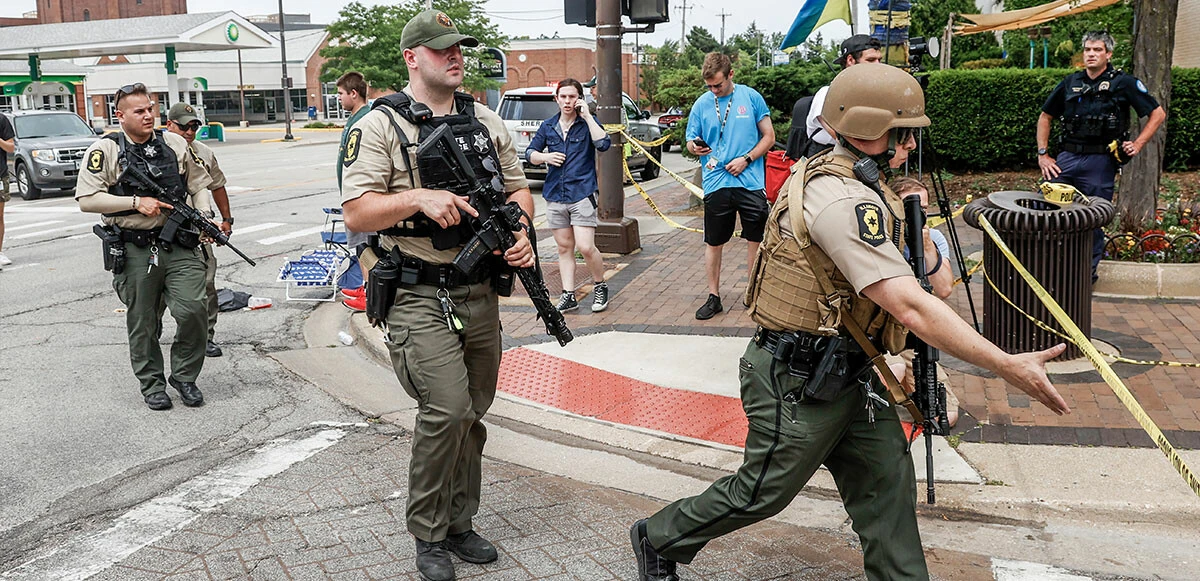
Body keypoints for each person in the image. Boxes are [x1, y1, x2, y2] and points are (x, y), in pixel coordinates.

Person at [630, 63, 1070, 581]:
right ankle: (658, 537)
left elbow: (942, 285)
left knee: (888, 488)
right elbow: (910, 305)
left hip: (855, 372)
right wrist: (1005, 364)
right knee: (762, 492)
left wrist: (915, 216)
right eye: (904, 134)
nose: (910, 146)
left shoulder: (876, 189)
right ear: (869, 131)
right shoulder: (837, 198)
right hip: (795, 378)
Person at [339, 10, 535, 581]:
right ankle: (427, 533)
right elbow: (357, 211)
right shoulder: (378, 125)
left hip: (478, 291)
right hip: (417, 292)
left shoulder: (486, 120)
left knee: (474, 414)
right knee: (446, 409)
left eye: (460, 49)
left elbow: (519, 190)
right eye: (443, 49)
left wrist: (519, 233)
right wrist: (418, 199)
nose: (456, 57)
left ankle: (459, 522)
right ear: (412, 57)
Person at [76, 83, 213, 410]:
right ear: (120, 115)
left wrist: (204, 216)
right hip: (134, 246)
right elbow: (87, 199)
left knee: (194, 309)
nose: (148, 115)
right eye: (139, 111)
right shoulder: (105, 150)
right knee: (144, 320)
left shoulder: (175, 143)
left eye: (151, 108)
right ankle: (152, 384)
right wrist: (136, 202)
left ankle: (184, 375)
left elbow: (198, 184)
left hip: (179, 243)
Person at [1036, 30, 1166, 281]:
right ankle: (1049, 270)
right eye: (1087, 50)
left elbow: (1157, 113)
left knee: (1093, 219)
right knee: (1049, 210)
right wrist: (1043, 154)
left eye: (1097, 50)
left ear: (1108, 54)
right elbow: (1045, 116)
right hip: (1067, 160)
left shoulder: (1124, 83)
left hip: (1099, 162)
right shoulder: (1070, 82)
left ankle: (1085, 276)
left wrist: (1138, 144)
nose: (1091, 54)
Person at [686, 52, 775, 320]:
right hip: (716, 181)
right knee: (714, 241)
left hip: (749, 180)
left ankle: (753, 292)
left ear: (731, 75)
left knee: (755, 239)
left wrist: (747, 159)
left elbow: (769, 137)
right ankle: (713, 296)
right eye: (710, 86)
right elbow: (690, 142)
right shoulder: (702, 104)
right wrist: (696, 147)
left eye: (719, 85)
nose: (714, 90)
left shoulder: (751, 97)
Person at [526, 77, 612, 313]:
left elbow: (604, 144)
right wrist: (545, 157)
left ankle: (600, 285)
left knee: (585, 247)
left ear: (579, 99)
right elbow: (530, 152)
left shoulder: (587, 124)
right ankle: (568, 294)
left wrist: (587, 116)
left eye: (572, 96)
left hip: (582, 193)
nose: (567, 101)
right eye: (563, 96)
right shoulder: (548, 126)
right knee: (564, 248)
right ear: (556, 99)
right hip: (555, 195)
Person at [888, 175, 959, 429]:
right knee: (893, 370)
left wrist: (926, 246)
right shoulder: (884, 236)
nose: (918, 213)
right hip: (884, 334)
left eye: (924, 209)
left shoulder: (934, 238)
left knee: (945, 416)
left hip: (914, 337)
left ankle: (904, 389)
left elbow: (944, 289)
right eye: (910, 206)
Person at [165, 102, 234, 358]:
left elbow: (217, 185)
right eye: (184, 126)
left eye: (194, 126)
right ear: (169, 124)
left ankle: (206, 337)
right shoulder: (160, 150)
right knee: (159, 292)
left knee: (206, 283)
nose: (190, 131)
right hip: (163, 231)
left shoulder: (203, 152)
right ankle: (152, 331)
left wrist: (227, 219)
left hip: (198, 230)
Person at [791, 34, 883, 160]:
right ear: (850, 60)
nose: (878, 65)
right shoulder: (827, 94)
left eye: (880, 60)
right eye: (871, 60)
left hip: (859, 161)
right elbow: (842, 138)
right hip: (826, 162)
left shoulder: (874, 96)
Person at [334, 71, 373, 312]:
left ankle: (370, 293)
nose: (338, 98)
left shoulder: (365, 119)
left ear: (353, 93)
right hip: (352, 195)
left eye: (340, 94)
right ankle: (365, 286)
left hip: (362, 196)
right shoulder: (355, 117)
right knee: (361, 248)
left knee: (366, 247)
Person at [0, 111, 14, 269]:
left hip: (0, 174)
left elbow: (10, 147)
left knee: (0, 215)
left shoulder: (2, 119)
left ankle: (0, 252)